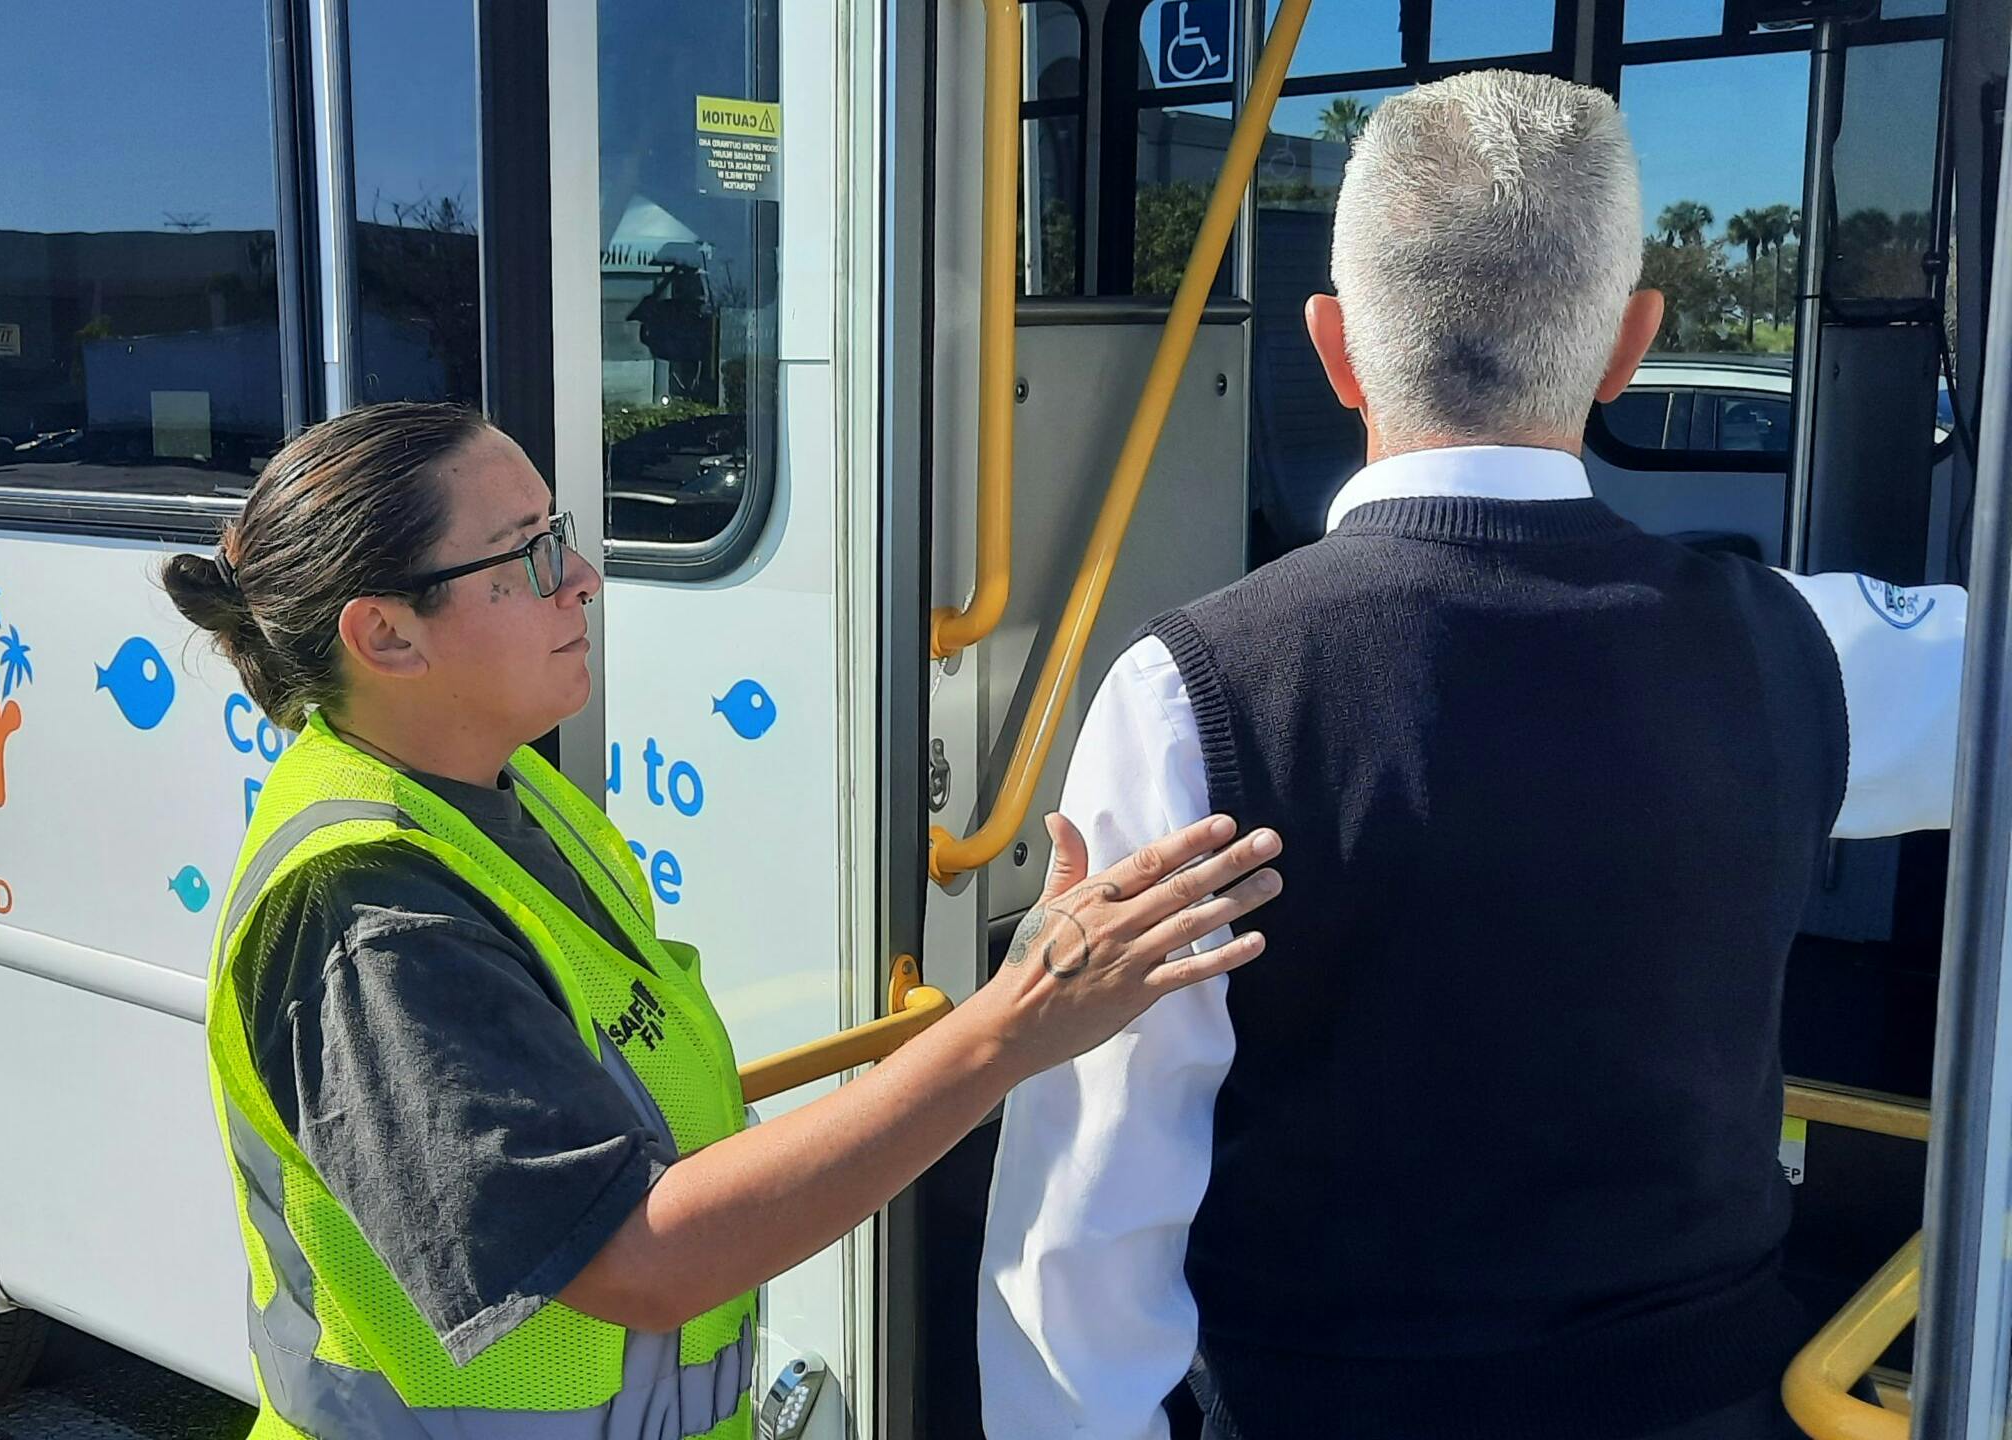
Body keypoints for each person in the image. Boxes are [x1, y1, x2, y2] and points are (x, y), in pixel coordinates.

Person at [978, 71, 1967, 1440]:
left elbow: (1088, 1233)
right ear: (1630, 348)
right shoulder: (1805, 650)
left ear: (1332, 349)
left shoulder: (1187, 698)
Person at [161, 401, 1285, 1438]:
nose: (584, 579)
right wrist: (1010, 1029)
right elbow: (639, 1260)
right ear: (386, 636)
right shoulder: (366, 910)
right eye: (532, 553)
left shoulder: (499, 795)